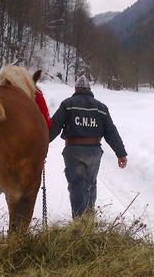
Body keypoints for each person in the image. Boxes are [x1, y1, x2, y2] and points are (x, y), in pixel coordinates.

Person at [49, 75, 127, 218]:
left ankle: (79, 223)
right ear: (90, 90)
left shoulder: (68, 104)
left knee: (77, 184)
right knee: (90, 183)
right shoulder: (101, 108)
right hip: (94, 151)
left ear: (76, 89)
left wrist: (43, 143)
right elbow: (111, 131)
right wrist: (121, 153)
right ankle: (89, 220)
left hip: (73, 150)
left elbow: (55, 125)